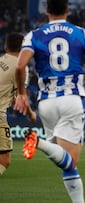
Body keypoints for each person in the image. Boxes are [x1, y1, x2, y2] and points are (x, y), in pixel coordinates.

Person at [13, 0, 85, 202]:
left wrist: (21, 93)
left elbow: (20, 67)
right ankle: (38, 142)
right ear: (68, 10)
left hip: (46, 102)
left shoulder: (34, 35)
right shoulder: (80, 33)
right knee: (71, 160)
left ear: (46, 10)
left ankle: (42, 144)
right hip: (71, 98)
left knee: (64, 161)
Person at [0, 32, 36, 176]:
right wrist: (31, 114)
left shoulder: (1, 60)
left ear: (5, 48)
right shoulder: (21, 67)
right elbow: (20, 98)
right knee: (4, 160)